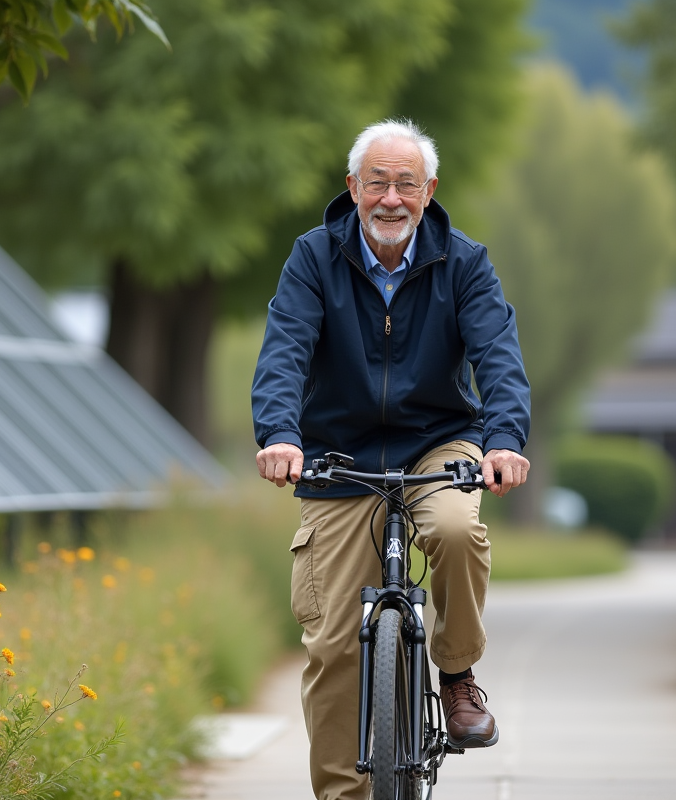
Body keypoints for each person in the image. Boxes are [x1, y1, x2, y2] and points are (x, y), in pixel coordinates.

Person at [251, 118, 531, 800]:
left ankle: (458, 673)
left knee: (458, 531)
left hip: (439, 441)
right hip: (336, 456)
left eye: (406, 184)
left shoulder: (463, 262)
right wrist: (279, 435)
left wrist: (504, 442)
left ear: (429, 192)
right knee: (333, 652)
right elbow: (285, 349)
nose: (391, 199)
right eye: (376, 183)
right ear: (352, 189)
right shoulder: (313, 257)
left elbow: (498, 356)